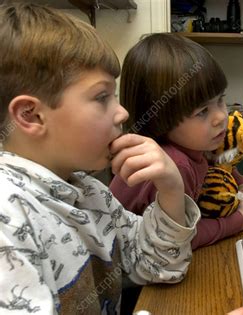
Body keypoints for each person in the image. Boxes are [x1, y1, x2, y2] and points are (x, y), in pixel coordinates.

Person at [0, 3, 203, 313]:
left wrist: (172, 189)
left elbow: (156, 265)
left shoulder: (91, 192)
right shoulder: (8, 218)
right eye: (101, 97)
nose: (122, 112)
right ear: (31, 115)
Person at [109, 33, 243, 250]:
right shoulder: (175, 164)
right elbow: (182, 239)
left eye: (220, 100)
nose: (221, 117)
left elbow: (218, 164)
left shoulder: (196, 143)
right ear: (159, 119)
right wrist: (239, 221)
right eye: (202, 111)